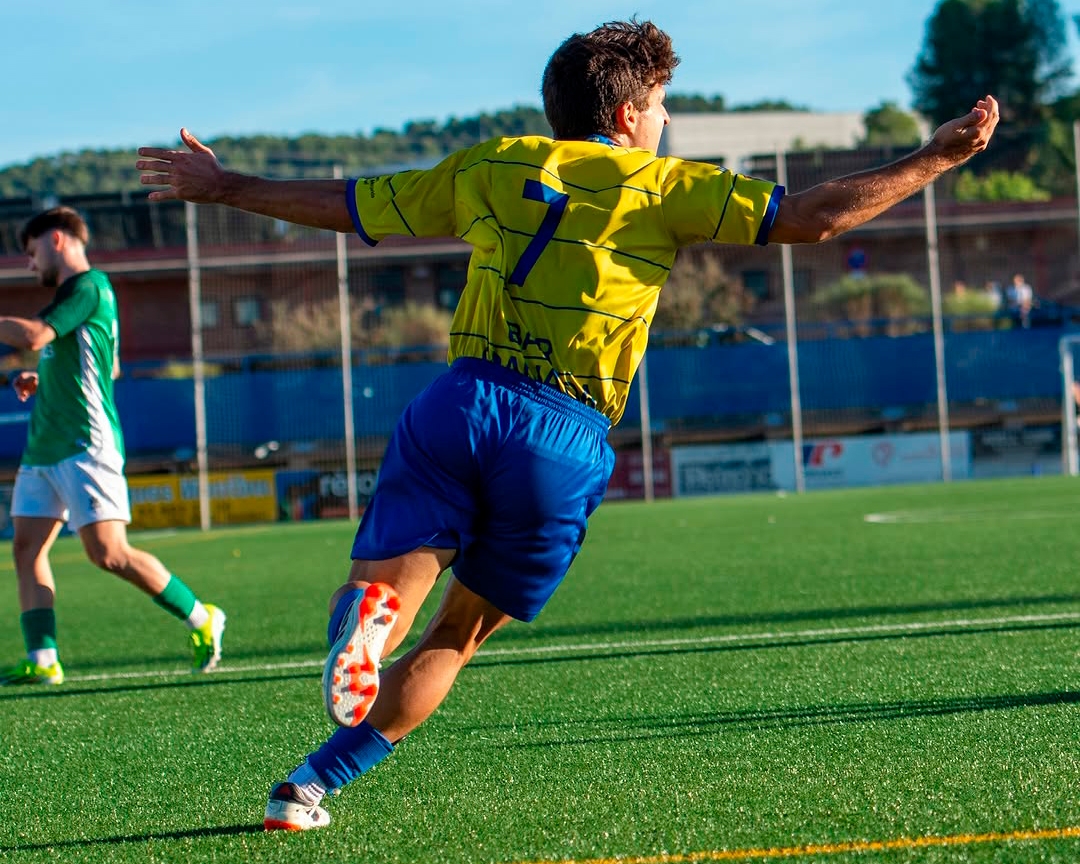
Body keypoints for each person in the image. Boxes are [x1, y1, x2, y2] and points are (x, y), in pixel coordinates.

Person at [135, 18, 998, 831]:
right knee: (458, 634)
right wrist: (938, 155)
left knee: (385, 599)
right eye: (660, 107)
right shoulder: (666, 186)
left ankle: (355, 650)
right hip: (561, 435)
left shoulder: (493, 165)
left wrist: (227, 186)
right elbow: (814, 217)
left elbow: (353, 202)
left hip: (462, 404)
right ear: (626, 117)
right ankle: (311, 784)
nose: (666, 122)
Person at [0, 206, 226, 686]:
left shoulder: (89, 286)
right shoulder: (78, 297)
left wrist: (43, 362)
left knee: (109, 553)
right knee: (26, 548)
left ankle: (202, 616)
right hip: (44, 446)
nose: (29, 262)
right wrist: (44, 380)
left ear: (57, 239)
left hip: (85, 442)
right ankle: (44, 659)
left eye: (32, 251)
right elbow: (108, 367)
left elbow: (35, 336)